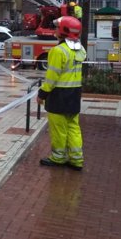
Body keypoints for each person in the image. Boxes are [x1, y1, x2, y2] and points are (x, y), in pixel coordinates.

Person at [37, 16, 87, 171]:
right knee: (73, 127)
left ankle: (58, 157)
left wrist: (42, 93)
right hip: (74, 95)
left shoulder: (58, 51)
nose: (55, 30)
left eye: (58, 27)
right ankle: (76, 159)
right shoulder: (80, 49)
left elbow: (51, 77)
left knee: (59, 129)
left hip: (58, 96)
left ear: (64, 31)